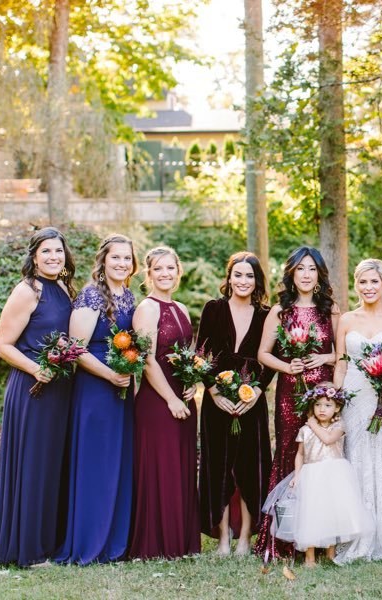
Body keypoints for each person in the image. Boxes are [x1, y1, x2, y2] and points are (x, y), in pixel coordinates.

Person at [0, 227, 76, 566]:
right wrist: (35, 369)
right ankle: (26, 549)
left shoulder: (64, 290)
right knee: (34, 467)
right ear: (34, 256)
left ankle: (49, 542)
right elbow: (3, 345)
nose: (54, 257)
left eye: (59, 251)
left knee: (53, 466)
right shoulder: (28, 290)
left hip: (61, 392)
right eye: (47, 252)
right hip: (33, 392)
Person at [56, 234, 137, 565]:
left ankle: (116, 541)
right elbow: (74, 349)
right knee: (95, 464)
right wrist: (108, 375)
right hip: (95, 390)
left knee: (118, 463)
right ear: (103, 260)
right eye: (115, 257)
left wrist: (129, 368)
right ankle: (91, 541)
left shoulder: (130, 296)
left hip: (122, 390)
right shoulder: (91, 296)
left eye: (127, 259)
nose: (121, 263)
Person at [254, 247, 338, 560]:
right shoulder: (280, 311)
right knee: (292, 454)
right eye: (300, 269)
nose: (306, 274)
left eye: (312, 269)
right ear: (291, 273)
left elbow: (341, 353)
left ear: (319, 274)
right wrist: (287, 366)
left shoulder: (330, 309)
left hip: (324, 392)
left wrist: (326, 356)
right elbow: (264, 353)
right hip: (291, 390)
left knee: (322, 457)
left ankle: (322, 539)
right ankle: (283, 540)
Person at [332, 259, 382, 564]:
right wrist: (338, 399)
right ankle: (357, 534)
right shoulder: (347, 320)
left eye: (373, 282)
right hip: (355, 395)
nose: (368, 288)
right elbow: (341, 361)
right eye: (363, 282)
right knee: (358, 458)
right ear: (356, 285)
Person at [197, 252, 275, 556]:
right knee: (220, 467)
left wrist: (257, 392)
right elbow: (202, 353)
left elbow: (268, 359)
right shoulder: (213, 309)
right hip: (217, 401)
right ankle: (224, 537)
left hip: (251, 402)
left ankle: (245, 537)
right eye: (238, 275)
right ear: (229, 278)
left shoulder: (267, 314)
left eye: (250, 276)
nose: (243, 281)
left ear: (257, 281)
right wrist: (214, 392)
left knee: (248, 467)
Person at [127, 247, 200, 559]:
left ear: (178, 271)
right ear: (149, 274)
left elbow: (188, 355)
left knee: (181, 467)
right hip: (158, 402)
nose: (166, 274)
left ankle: (180, 540)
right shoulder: (147, 308)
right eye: (159, 269)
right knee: (161, 466)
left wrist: (193, 381)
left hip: (183, 399)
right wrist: (170, 399)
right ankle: (158, 542)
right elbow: (146, 360)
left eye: (171, 268)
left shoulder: (181, 307)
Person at [262, 384, 374, 566]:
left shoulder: (339, 426)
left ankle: (330, 553)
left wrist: (312, 423)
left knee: (332, 513)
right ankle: (310, 557)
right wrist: (298, 475)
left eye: (328, 405)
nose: (322, 409)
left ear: (337, 407)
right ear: (312, 407)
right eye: (318, 405)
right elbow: (300, 454)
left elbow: (328, 439)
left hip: (334, 473)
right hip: (311, 473)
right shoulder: (304, 431)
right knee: (310, 514)